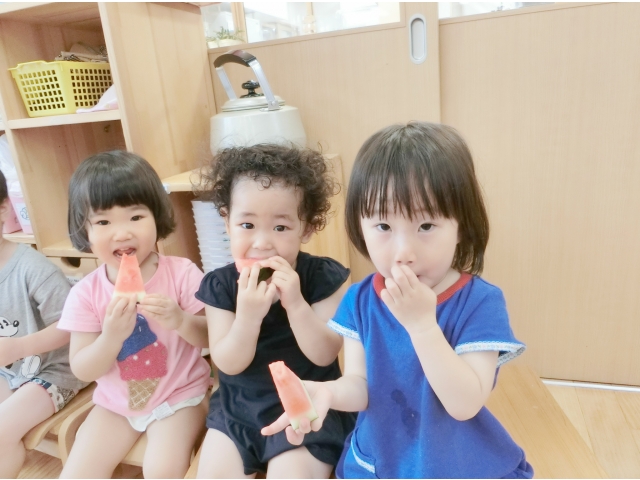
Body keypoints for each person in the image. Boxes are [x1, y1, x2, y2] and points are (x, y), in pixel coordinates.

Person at [263, 122, 534, 478]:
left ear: (462, 226)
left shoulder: (480, 302)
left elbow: (465, 403)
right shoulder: (361, 300)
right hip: (383, 457)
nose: (403, 253)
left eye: (426, 226)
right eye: (383, 227)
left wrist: (422, 326)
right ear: (360, 227)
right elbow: (362, 386)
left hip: (455, 462)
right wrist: (328, 393)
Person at [194, 144, 356, 478]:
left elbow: (325, 354)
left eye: (280, 228)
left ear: (306, 228)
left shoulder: (323, 278)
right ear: (226, 221)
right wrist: (248, 317)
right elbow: (227, 362)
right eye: (247, 225)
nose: (262, 242)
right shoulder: (220, 286)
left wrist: (295, 304)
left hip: (308, 406)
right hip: (238, 411)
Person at [57, 151, 210, 478]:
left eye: (136, 217)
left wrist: (181, 321)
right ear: (84, 231)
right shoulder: (85, 293)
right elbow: (83, 368)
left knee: (162, 470)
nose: (122, 233)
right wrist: (111, 337)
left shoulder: (182, 273)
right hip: (115, 404)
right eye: (103, 222)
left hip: (179, 396)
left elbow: (211, 336)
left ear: (157, 216)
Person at [0, 169, 89, 478]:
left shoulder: (31, 268)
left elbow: (72, 325)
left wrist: (19, 347)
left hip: (55, 371)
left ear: (3, 209)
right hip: (10, 370)